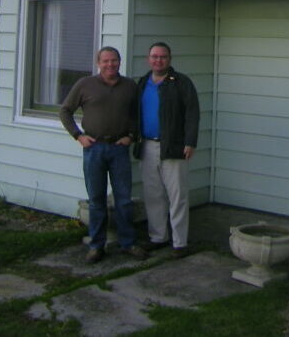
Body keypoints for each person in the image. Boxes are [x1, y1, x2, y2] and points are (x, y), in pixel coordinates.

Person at [59, 46, 146, 263]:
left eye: (114, 60)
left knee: (124, 200)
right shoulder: (85, 84)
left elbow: (137, 115)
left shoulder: (129, 86)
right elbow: (65, 111)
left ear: (119, 62)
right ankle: (97, 245)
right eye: (106, 61)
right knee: (96, 200)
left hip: (119, 149)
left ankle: (128, 243)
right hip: (93, 149)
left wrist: (131, 136)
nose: (110, 64)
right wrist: (78, 136)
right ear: (98, 63)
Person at [134, 41, 200, 258]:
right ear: (148, 59)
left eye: (162, 57)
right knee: (153, 194)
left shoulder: (181, 83)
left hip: (174, 147)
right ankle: (158, 237)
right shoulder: (143, 83)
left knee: (177, 195)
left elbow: (192, 113)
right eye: (154, 56)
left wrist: (190, 142)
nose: (158, 60)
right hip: (147, 145)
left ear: (169, 59)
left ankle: (180, 243)